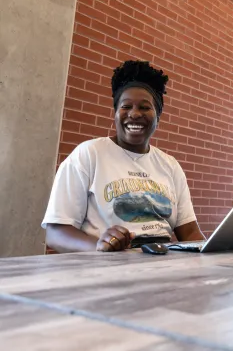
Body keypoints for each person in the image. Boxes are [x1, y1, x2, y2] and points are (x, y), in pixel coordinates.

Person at [42, 60, 205, 252]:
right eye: (126, 106)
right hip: (106, 268)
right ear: (115, 113)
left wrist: (221, 248)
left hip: (162, 265)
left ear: (157, 117)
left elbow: (191, 233)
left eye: (145, 107)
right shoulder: (89, 154)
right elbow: (55, 234)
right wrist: (99, 246)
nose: (135, 114)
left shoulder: (170, 165)